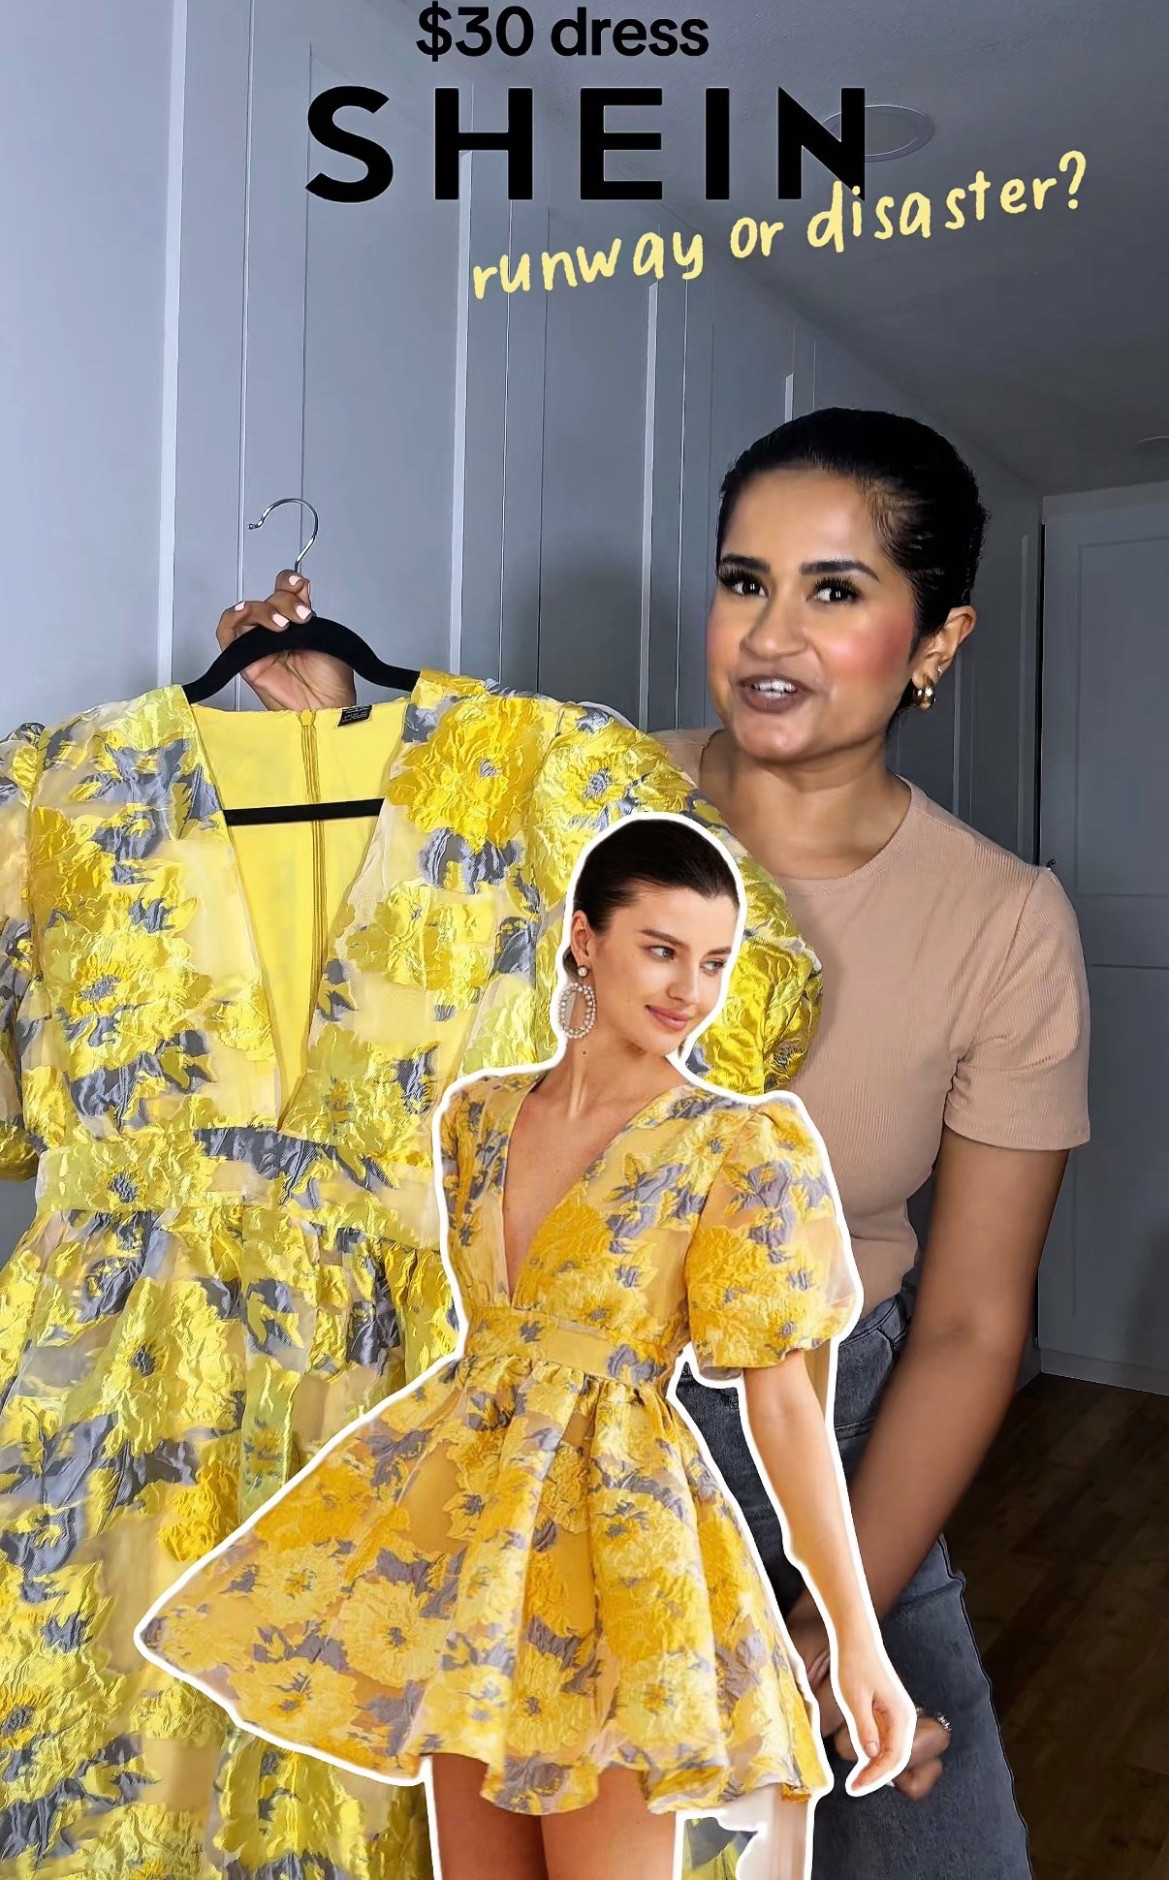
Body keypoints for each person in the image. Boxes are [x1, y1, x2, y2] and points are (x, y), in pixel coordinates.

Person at [211, 405, 1090, 1880]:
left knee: (938, 1848)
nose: (770, 634)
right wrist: (321, 729)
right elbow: (401, 922)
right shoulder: (584, 792)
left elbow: (969, 1325)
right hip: (520, 1459)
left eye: (834, 588)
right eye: (744, 580)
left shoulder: (1003, 922)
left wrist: (829, 1624)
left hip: (830, 1453)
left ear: (936, 640)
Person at [137, 816, 914, 1880]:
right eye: (661, 949)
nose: (691, 988)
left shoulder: (738, 1143)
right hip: (469, 1535)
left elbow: (784, 1405)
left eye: (714, 961)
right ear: (584, 940)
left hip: (619, 1543)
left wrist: (855, 1635)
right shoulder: (477, 1117)